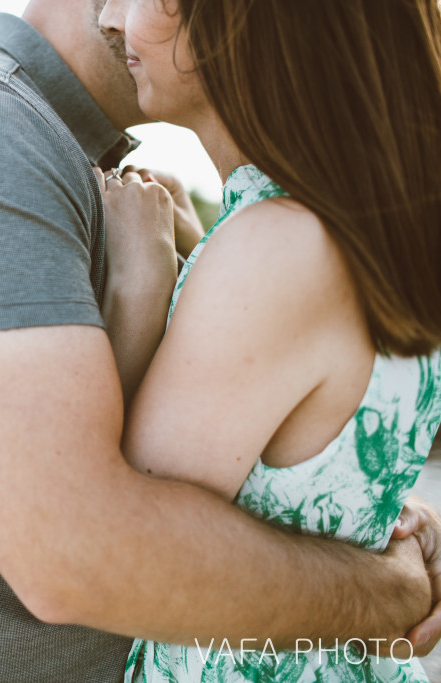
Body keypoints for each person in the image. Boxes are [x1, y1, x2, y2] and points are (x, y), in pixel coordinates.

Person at [0, 0, 441, 680]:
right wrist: (385, 586)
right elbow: (84, 548)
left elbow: (190, 484)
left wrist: (360, 517)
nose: (118, 14)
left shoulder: (259, 228)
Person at [94, 0, 441, 680]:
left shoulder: (278, 247)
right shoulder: (361, 234)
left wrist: (139, 285)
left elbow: (125, 534)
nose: (110, 17)